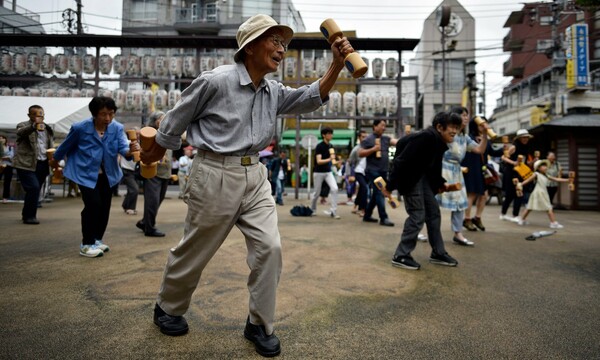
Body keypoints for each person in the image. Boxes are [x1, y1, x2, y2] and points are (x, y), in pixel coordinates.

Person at [140, 14, 353, 357]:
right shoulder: (215, 81)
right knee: (195, 249)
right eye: (275, 42)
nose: (281, 50)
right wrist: (152, 155)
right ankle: (168, 307)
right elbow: (175, 119)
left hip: (255, 176)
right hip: (214, 172)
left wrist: (337, 65)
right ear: (250, 45)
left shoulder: (273, 91)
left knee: (271, 248)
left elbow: (310, 97)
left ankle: (259, 323)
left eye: (284, 44)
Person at [53, 97, 139, 257]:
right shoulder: (80, 128)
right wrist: (54, 160)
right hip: (85, 173)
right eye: (103, 114)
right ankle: (86, 244)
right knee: (93, 205)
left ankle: (97, 239)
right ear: (94, 114)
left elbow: (124, 150)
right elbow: (64, 147)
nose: (107, 118)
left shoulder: (117, 128)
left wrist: (131, 149)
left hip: (108, 174)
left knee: (104, 207)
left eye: (111, 114)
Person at [383, 111, 463, 270]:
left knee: (433, 212)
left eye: (457, 127)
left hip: (421, 178)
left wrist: (439, 184)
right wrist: (390, 186)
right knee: (417, 215)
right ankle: (401, 255)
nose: (455, 131)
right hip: (410, 178)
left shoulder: (439, 142)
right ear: (440, 127)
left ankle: (438, 252)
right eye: (452, 127)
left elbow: (433, 168)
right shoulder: (426, 137)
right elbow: (401, 161)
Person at [436, 107, 489, 247]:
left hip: (457, 172)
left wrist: (485, 135)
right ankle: (421, 230)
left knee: (460, 203)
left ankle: (458, 233)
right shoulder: (446, 133)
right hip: (442, 169)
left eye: (467, 115)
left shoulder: (465, 138)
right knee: (432, 201)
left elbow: (479, 150)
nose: (465, 118)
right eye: (462, 115)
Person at [461, 116, 504, 232]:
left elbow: (493, 152)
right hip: (471, 169)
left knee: (484, 195)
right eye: (481, 124)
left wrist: (505, 148)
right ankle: (467, 219)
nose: (484, 126)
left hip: (482, 170)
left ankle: (477, 218)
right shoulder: (468, 138)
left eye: (485, 123)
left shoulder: (486, 139)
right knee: (471, 194)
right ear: (475, 126)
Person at [13, 105, 54, 224]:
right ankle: (30, 217)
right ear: (29, 115)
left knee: (35, 190)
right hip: (26, 163)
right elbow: (20, 133)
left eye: (41, 114)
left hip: (42, 163)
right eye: (36, 115)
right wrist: (33, 126)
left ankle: (26, 213)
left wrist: (52, 158)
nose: (39, 117)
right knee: (33, 188)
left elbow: (49, 145)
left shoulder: (47, 128)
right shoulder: (23, 125)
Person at [136, 111, 171, 237]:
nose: (163, 121)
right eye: (160, 118)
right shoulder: (148, 134)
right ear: (154, 121)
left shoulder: (168, 133)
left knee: (158, 200)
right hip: (152, 171)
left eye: (164, 118)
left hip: (165, 172)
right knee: (152, 201)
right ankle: (149, 228)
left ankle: (145, 222)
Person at [359, 119, 397, 226]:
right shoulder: (368, 139)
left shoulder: (386, 139)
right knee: (380, 191)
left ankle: (367, 215)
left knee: (376, 193)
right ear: (375, 126)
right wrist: (373, 149)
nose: (384, 128)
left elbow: (397, 142)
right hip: (372, 171)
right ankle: (383, 218)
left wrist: (409, 139)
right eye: (382, 125)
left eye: (385, 126)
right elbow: (360, 153)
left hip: (383, 171)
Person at [517, 160, 569, 228]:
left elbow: (556, 179)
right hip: (539, 192)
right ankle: (553, 223)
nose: (545, 167)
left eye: (545, 166)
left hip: (542, 192)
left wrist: (567, 180)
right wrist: (520, 184)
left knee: (530, 207)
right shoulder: (536, 174)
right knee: (547, 208)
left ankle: (521, 220)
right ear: (538, 168)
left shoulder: (546, 175)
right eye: (543, 166)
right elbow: (528, 180)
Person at [500, 129, 536, 223]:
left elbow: (524, 162)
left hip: (520, 173)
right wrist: (513, 162)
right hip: (511, 172)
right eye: (523, 137)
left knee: (519, 193)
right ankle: (503, 214)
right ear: (519, 138)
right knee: (510, 194)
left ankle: (515, 215)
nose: (525, 139)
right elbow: (503, 157)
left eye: (527, 137)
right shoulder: (513, 147)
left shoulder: (526, 147)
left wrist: (532, 162)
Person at [310, 127, 341, 219]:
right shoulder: (319, 146)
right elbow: (319, 161)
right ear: (324, 135)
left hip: (328, 171)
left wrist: (336, 163)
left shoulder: (331, 146)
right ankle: (313, 209)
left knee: (335, 188)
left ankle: (333, 211)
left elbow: (332, 160)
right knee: (316, 193)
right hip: (318, 172)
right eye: (329, 133)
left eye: (331, 133)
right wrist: (330, 159)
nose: (331, 135)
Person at [348, 130, 368, 217]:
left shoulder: (369, 147)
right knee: (365, 188)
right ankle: (362, 209)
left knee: (361, 189)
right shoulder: (356, 149)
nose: (364, 138)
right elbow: (349, 162)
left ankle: (355, 205)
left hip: (367, 172)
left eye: (365, 137)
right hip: (358, 171)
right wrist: (349, 175)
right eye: (363, 137)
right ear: (359, 138)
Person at [120, 137, 139, 215]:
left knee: (131, 189)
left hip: (133, 170)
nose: (138, 136)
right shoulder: (127, 143)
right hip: (126, 169)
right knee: (134, 189)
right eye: (136, 134)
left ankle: (125, 205)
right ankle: (130, 208)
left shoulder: (138, 144)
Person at [1, 135, 15, 203]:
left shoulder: (10, 148)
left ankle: (5, 197)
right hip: (0, 165)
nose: (1, 140)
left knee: (7, 182)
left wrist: (5, 157)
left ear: (5, 140)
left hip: (8, 165)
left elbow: (11, 156)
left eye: (2, 139)